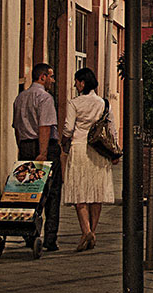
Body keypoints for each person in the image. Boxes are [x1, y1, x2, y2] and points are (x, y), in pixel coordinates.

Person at [61, 68, 119, 252]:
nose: (75, 85)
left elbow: (69, 128)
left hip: (79, 148)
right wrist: (115, 150)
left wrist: (64, 141)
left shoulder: (74, 103)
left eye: (77, 81)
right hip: (99, 150)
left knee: (80, 193)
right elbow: (111, 127)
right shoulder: (103, 103)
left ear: (82, 83)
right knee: (96, 193)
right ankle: (93, 231)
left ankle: (86, 231)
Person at [12, 63, 62, 251]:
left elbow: (17, 127)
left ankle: (28, 233)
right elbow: (45, 126)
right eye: (50, 76)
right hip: (44, 147)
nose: (52, 80)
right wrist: (42, 152)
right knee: (51, 193)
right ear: (42, 77)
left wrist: (21, 149)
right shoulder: (44, 98)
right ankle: (50, 237)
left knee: (27, 192)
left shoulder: (20, 98)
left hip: (25, 146)